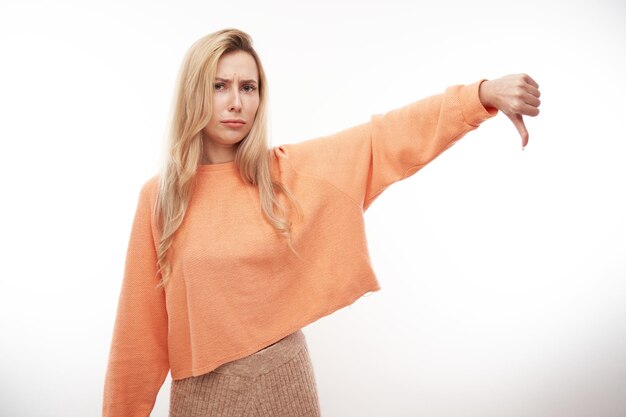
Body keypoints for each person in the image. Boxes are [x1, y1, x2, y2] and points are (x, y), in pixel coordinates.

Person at [102, 28, 541, 417]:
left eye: (248, 87)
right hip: (200, 399)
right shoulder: (162, 198)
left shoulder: (289, 175)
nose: (236, 102)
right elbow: (138, 334)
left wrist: (480, 94)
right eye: (219, 86)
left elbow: (384, 138)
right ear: (194, 93)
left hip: (284, 387)